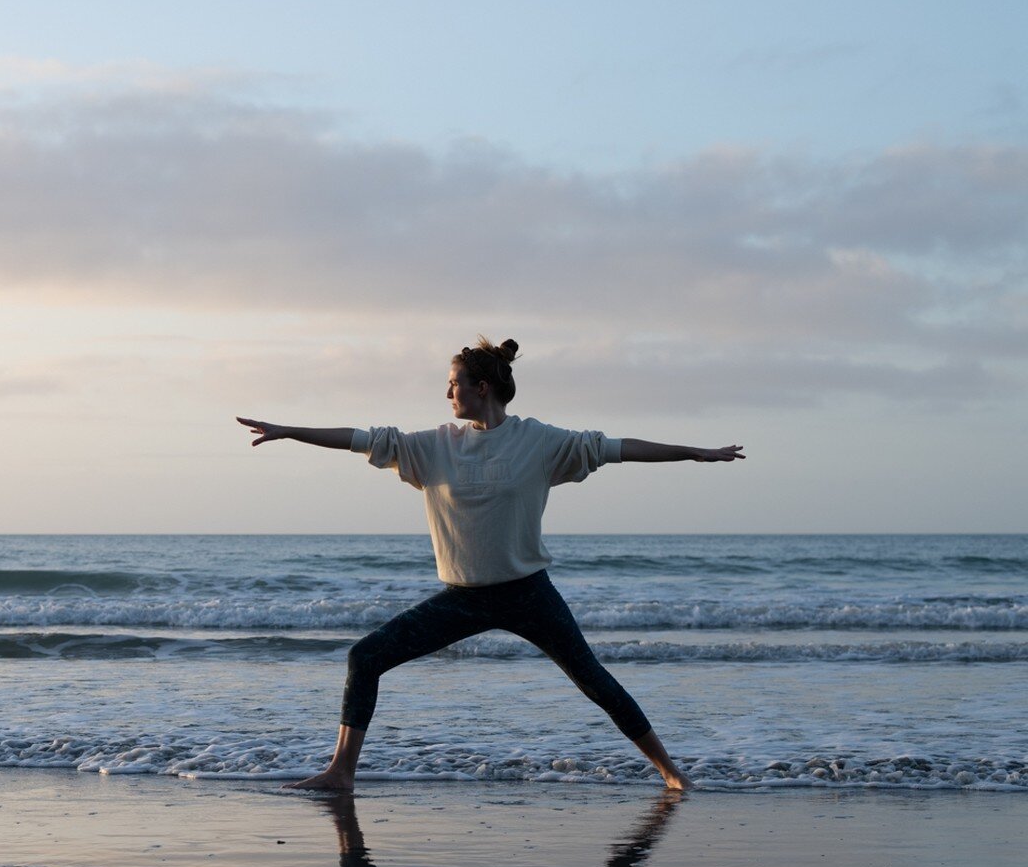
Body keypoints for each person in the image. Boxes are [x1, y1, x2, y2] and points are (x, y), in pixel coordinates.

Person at [237, 337, 744, 793]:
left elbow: (615, 449)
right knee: (365, 657)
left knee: (593, 680)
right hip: (464, 598)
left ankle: (672, 773)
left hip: (528, 592)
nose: (447, 393)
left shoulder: (539, 441)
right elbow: (359, 438)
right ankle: (341, 772)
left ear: (482, 388)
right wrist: (288, 431)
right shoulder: (433, 446)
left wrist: (692, 452)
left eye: (453, 383)